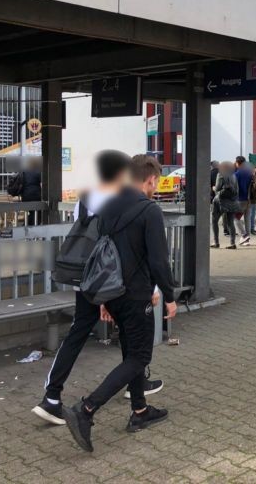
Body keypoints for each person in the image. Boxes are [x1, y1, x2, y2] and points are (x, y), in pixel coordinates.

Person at [32, 152, 165, 426]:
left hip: (85, 275)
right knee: (131, 334)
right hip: (112, 278)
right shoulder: (121, 200)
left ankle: (52, 395)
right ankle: (131, 392)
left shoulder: (85, 199)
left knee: (79, 331)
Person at [62, 155, 178, 452]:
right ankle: (86, 409)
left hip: (111, 293)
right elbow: (158, 261)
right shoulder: (150, 211)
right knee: (140, 357)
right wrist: (169, 296)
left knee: (130, 351)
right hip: (137, 295)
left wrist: (102, 300)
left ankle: (140, 411)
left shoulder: (109, 206)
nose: (156, 187)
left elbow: (99, 253)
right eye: (156, 182)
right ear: (150, 179)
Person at [214, 161, 242, 249]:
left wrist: (214, 188)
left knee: (214, 221)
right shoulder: (234, 176)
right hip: (232, 202)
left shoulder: (220, 175)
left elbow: (217, 188)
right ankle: (232, 243)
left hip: (220, 201)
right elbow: (237, 190)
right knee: (230, 223)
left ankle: (216, 242)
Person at [234, 156, 253, 246]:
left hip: (239, 199)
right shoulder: (249, 174)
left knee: (235, 218)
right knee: (247, 219)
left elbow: (234, 188)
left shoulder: (236, 174)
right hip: (249, 199)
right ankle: (247, 239)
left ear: (237, 163)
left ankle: (244, 235)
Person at [21, 157, 42, 225]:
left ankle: (26, 226)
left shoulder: (24, 172)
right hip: (36, 196)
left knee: (32, 212)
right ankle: (27, 226)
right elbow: (42, 185)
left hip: (25, 197)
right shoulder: (38, 172)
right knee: (38, 213)